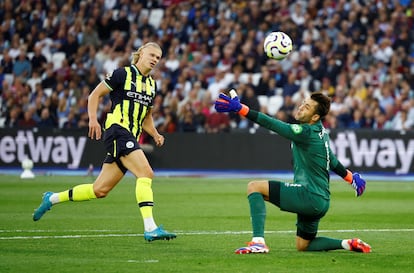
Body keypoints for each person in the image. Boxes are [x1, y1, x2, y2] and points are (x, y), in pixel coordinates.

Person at [32, 42, 176, 242]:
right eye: (152, 55)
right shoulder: (122, 74)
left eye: (158, 58)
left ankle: (52, 198)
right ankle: (150, 228)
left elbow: (146, 117)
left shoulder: (152, 85)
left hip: (130, 136)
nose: (154, 60)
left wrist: (155, 133)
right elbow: (94, 95)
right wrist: (93, 119)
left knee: (99, 190)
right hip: (118, 131)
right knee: (146, 173)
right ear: (141, 53)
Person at [214, 90, 371, 254]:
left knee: (254, 187)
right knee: (304, 246)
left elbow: (273, 124)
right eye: (303, 102)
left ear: (315, 117)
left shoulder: (305, 132)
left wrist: (242, 109)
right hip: (320, 201)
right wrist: (350, 177)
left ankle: (258, 242)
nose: (301, 107)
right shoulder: (322, 133)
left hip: (308, 195)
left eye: (307, 107)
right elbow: (331, 160)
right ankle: (347, 243)